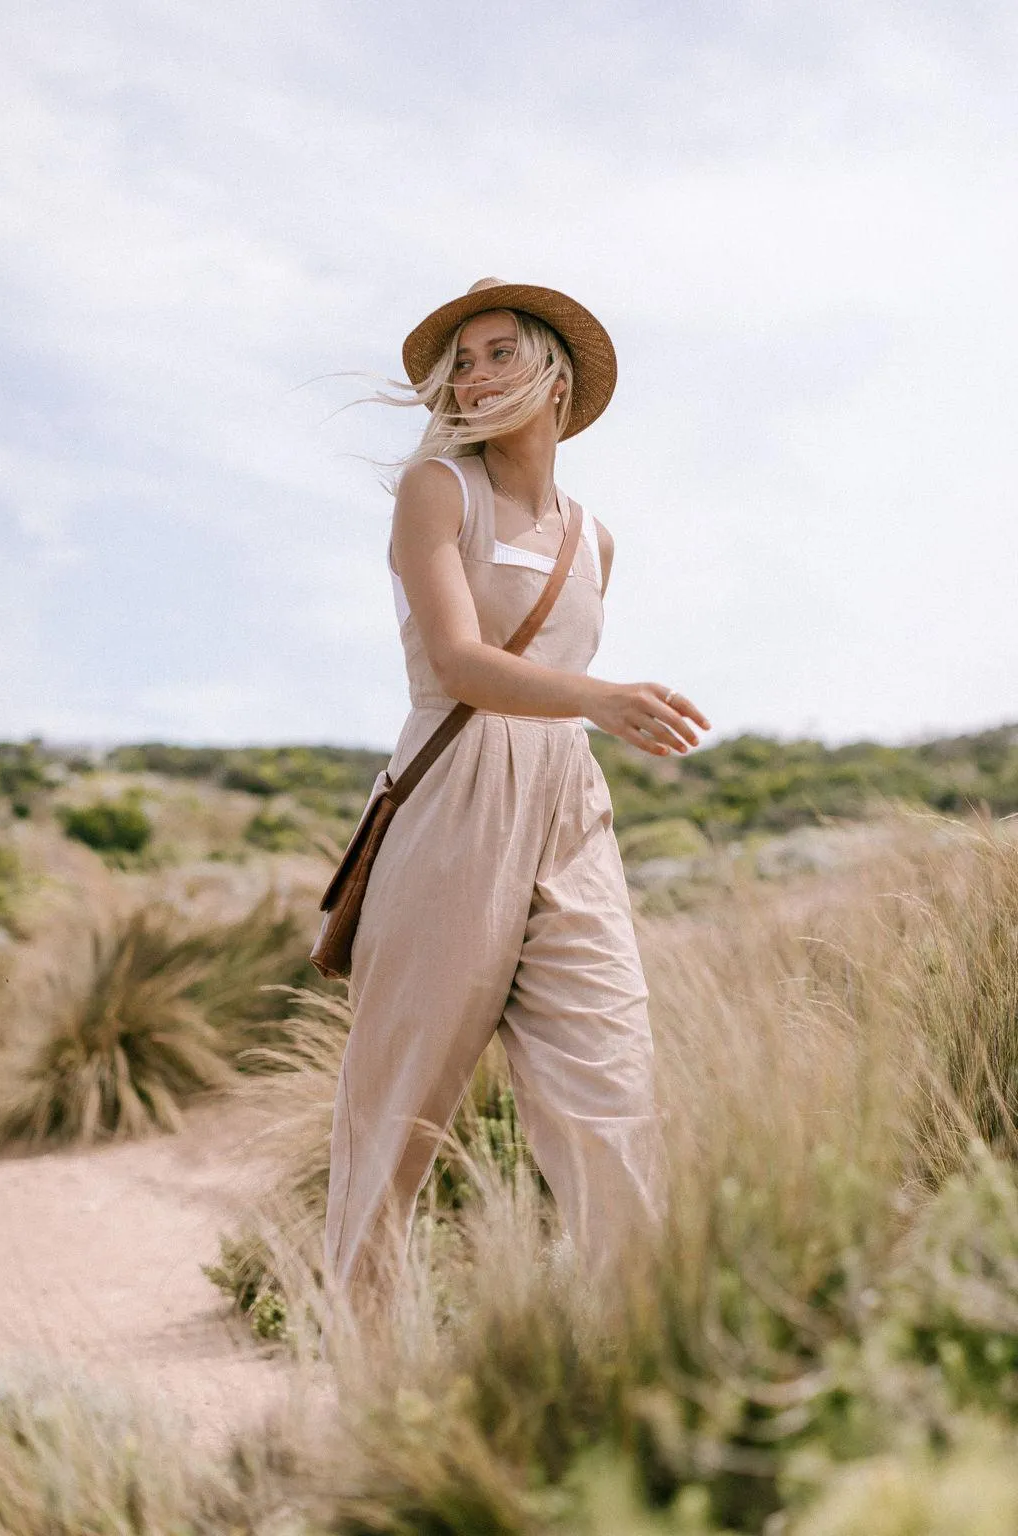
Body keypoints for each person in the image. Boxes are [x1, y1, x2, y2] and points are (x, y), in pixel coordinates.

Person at [324, 277, 710, 1301]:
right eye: (465, 358)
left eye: (501, 352)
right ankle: (364, 1386)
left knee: (612, 1086)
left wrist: (589, 716)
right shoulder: (438, 492)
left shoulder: (596, 539)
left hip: (570, 809)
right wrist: (597, 698)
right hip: (455, 795)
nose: (476, 372)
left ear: (556, 376)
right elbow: (457, 661)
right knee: (397, 1113)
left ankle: (634, 1356)